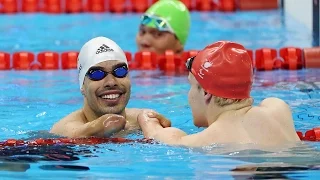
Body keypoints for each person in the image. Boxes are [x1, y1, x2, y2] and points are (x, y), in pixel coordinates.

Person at [137, 40, 301, 147]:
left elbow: (156, 135)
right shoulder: (278, 108)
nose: (189, 95)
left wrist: (145, 117)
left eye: (191, 86)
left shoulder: (211, 139)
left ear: (206, 92)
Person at [50, 36, 170, 138]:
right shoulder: (65, 129)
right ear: (82, 85)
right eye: (97, 73)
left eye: (120, 71)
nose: (111, 82)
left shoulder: (142, 120)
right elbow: (88, 131)